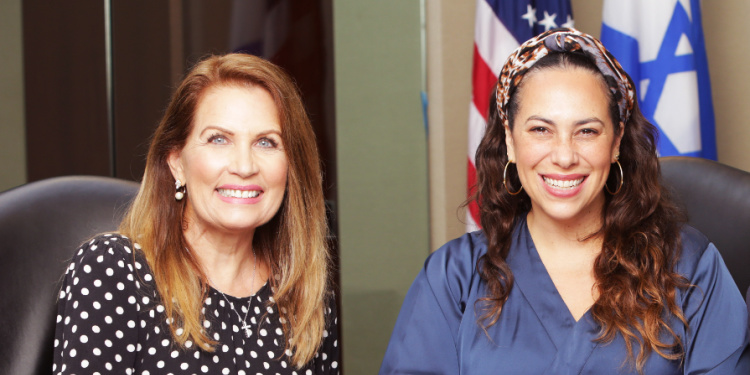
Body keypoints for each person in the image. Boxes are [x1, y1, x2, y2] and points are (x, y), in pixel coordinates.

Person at [380, 28, 749, 374]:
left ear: (617, 140)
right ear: (510, 139)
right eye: (541, 130)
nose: (564, 156)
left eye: (586, 131)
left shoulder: (690, 267)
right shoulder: (453, 277)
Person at [53, 54, 339, 374]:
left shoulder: (304, 293)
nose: (244, 166)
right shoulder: (115, 270)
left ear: (291, 167)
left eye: (266, 142)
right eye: (219, 139)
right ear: (177, 162)